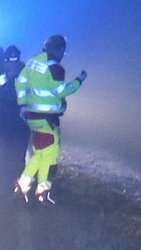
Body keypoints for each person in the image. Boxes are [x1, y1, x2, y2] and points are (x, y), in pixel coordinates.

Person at [13, 35, 86, 204]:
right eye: (63, 52)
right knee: (50, 157)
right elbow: (61, 91)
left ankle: (22, 185)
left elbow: (20, 82)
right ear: (59, 50)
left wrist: (23, 104)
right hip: (48, 119)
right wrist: (78, 81)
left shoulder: (33, 62)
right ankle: (42, 193)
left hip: (31, 116)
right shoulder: (55, 68)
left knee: (39, 154)